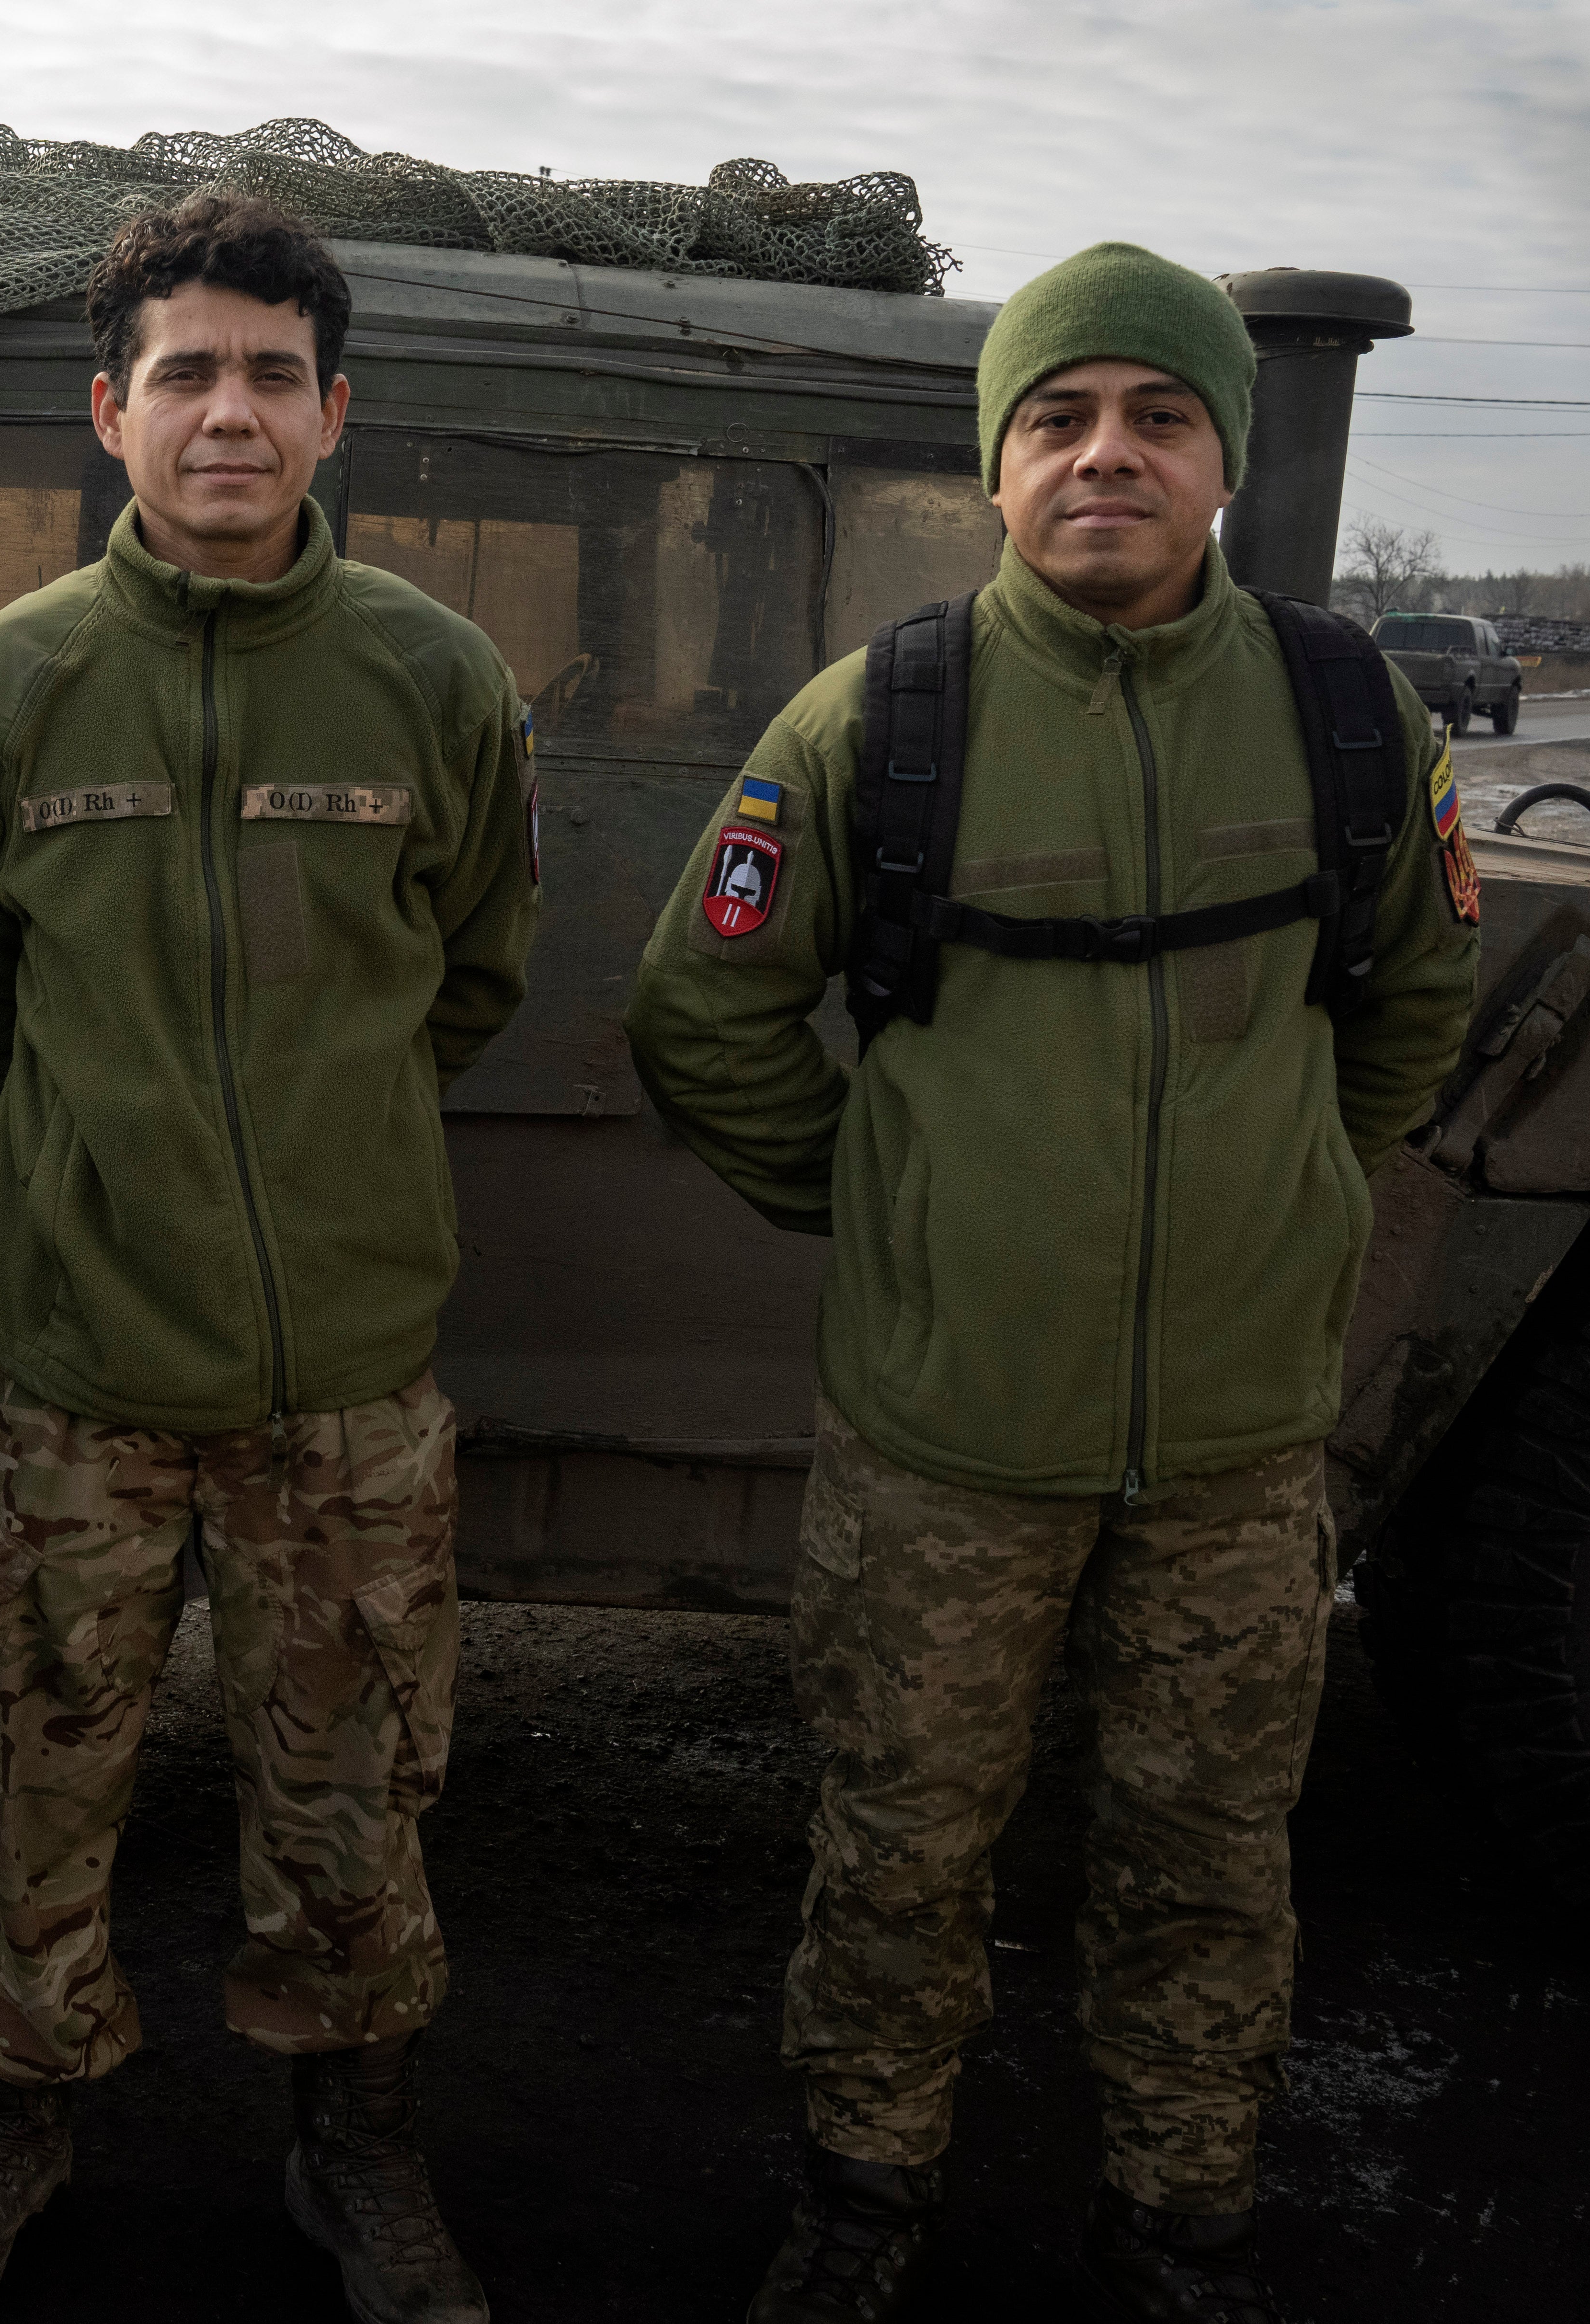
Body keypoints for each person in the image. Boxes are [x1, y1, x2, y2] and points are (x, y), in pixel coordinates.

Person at [623, 243, 1479, 2324]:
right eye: (1058, 419)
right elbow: (702, 1008)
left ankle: (1177, 2217)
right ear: (998, 468)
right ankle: (860, 2196)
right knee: (899, 1843)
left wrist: (1287, 1193)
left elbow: (1414, 996)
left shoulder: (1346, 712)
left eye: (1157, 418)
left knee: (1206, 1858)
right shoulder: (874, 721)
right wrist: (889, 1206)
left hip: (1231, 1454)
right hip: (944, 1450)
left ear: (1221, 464)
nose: (1107, 454)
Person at [0, 191, 539, 2324]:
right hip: (68, 1373)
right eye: (185, 372)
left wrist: (326, 1180)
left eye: (268, 373)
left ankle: (356, 2145)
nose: (225, 411)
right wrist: (83, 1178)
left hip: (341, 1376)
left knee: (353, 1791)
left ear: (334, 413)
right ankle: (4, 2118)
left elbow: (474, 973)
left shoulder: (436, 680)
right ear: (109, 412)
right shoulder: (7, 681)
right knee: (29, 1775)